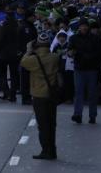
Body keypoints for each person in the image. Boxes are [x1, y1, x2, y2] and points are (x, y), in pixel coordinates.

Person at [20, 31, 60, 160]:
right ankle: (52, 150)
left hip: (39, 94)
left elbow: (23, 62)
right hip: (52, 94)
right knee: (51, 123)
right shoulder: (54, 57)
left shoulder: (33, 59)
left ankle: (46, 150)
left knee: (43, 125)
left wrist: (28, 49)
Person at [68, 18, 101, 124]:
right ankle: (77, 114)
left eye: (85, 25)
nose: (83, 27)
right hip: (79, 68)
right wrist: (71, 53)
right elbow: (70, 50)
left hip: (92, 69)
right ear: (79, 27)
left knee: (92, 93)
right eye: (82, 26)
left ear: (88, 27)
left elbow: (99, 52)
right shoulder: (73, 38)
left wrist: (88, 56)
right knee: (79, 92)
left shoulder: (95, 38)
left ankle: (92, 115)